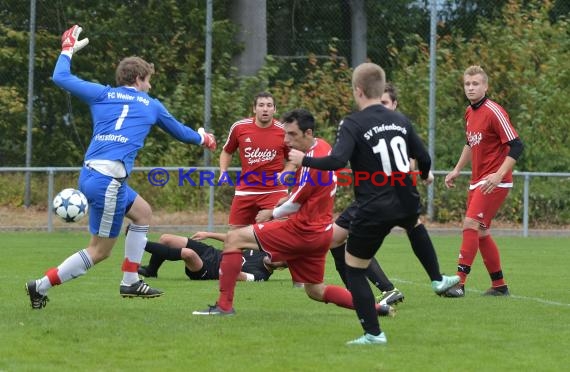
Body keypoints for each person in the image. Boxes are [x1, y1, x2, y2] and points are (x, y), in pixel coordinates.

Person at [24, 25, 216, 309]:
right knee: (99, 251)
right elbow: (182, 133)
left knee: (143, 212)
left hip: (92, 175)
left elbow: (60, 76)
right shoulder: (150, 104)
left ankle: (131, 279)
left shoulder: (102, 94)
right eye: (148, 80)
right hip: (109, 182)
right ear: (139, 79)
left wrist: (66, 51)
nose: (150, 86)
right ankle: (41, 286)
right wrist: (205, 138)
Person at [288, 63, 459, 345]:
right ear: (381, 90)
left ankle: (373, 334)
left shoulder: (352, 123)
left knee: (354, 267)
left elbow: (336, 161)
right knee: (414, 223)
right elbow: (423, 155)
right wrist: (426, 173)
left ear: (358, 90)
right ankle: (437, 278)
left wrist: (302, 159)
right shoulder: (400, 120)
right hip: (405, 198)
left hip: (374, 205)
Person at [193, 109, 395, 318]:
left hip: (301, 230)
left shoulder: (310, 164)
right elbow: (305, 193)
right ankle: (377, 308)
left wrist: (271, 212)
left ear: (308, 133)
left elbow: (294, 205)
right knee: (316, 290)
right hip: (321, 232)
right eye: (285, 134)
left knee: (234, 239)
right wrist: (289, 196)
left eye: (292, 135)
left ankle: (224, 306)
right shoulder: (323, 148)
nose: (287, 140)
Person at [442, 65, 523, 298]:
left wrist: (498, 175)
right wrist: (457, 170)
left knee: (470, 224)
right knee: (481, 233)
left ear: (485, 86)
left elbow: (517, 145)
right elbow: (470, 143)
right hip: (478, 180)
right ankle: (499, 286)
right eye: (467, 84)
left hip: (494, 181)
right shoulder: (470, 112)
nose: (471, 87)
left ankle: (459, 283)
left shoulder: (494, 111)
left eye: (475, 83)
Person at [329, 82, 406, 307]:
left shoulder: (398, 128)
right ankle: (356, 292)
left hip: (381, 197)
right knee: (335, 239)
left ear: (394, 105)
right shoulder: (367, 127)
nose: (379, 107)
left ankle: (384, 290)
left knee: (352, 243)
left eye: (384, 103)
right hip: (371, 196)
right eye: (377, 101)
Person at [219, 92, 294, 229]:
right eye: (261, 105)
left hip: (274, 190)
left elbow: (293, 159)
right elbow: (227, 151)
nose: (265, 109)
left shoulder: (284, 131)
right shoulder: (239, 127)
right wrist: (223, 171)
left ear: (274, 109)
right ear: (254, 109)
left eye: (269, 105)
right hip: (246, 189)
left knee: (279, 231)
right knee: (235, 234)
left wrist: (285, 173)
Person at [137, 231, 287, 281]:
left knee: (188, 254)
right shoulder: (260, 250)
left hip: (210, 269)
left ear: (280, 268)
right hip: (211, 253)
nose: (275, 257)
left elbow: (238, 276)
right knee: (166, 239)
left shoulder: (261, 275)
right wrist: (208, 234)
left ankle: (139, 242)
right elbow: (235, 238)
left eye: (280, 261)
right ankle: (151, 270)